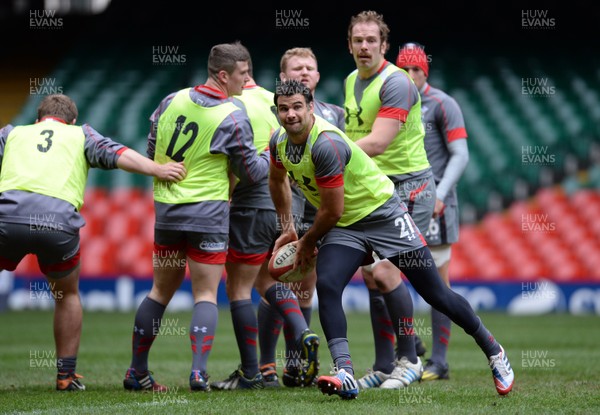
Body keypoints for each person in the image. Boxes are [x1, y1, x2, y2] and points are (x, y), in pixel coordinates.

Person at [269, 79, 514, 400]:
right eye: (284, 108)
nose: (290, 114)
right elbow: (277, 181)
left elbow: (331, 210)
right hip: (346, 224)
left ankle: (494, 350)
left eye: (297, 106)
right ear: (277, 111)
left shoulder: (325, 144)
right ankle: (345, 372)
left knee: (435, 293)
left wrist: (306, 241)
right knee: (328, 285)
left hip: (382, 213)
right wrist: (288, 228)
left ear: (311, 107)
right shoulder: (278, 143)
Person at [0, 94, 186, 391]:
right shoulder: (81, 134)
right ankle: (66, 376)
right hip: (56, 222)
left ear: (38, 119)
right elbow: (120, 154)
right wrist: (159, 169)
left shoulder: (12, 134)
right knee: (67, 295)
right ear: (71, 120)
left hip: (6, 217)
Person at [123, 42, 271, 393]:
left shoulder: (170, 100)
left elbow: (150, 150)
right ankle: (198, 374)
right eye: (241, 74)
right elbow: (250, 172)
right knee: (205, 293)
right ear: (223, 75)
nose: (246, 79)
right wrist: (270, 152)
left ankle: (137, 372)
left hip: (168, 212)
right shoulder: (233, 114)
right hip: (208, 214)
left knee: (160, 290)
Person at [342, 10, 434, 389]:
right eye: (357, 40)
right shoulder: (350, 81)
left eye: (371, 40)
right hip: (375, 186)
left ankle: (410, 359)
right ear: (349, 44)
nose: (364, 46)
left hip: (409, 185)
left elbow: (378, 143)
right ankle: (384, 364)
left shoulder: (396, 82)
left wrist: (328, 153)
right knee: (369, 275)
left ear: (384, 45)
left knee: (385, 272)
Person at [212, 63, 318, 390]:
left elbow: (233, 160)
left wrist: (225, 200)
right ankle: (301, 334)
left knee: (238, 289)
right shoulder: (271, 104)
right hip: (284, 203)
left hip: (249, 204)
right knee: (267, 279)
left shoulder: (232, 104)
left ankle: (251, 373)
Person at [254, 47, 344, 388]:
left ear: (318, 77)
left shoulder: (335, 115)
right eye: (296, 69)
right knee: (275, 277)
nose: (303, 72)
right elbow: (273, 170)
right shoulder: (276, 114)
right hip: (280, 209)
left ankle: (295, 366)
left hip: (318, 213)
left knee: (304, 285)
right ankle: (266, 364)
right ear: (282, 78)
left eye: (309, 67)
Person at [396, 42, 470, 381]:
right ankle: (408, 345)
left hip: (435, 201)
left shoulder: (442, 104)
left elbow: (460, 154)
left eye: (416, 70)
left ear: (426, 72)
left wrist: (440, 193)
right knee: (384, 273)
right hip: (397, 200)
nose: (410, 76)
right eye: (404, 69)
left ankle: (439, 362)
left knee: (438, 280)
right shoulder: (389, 101)